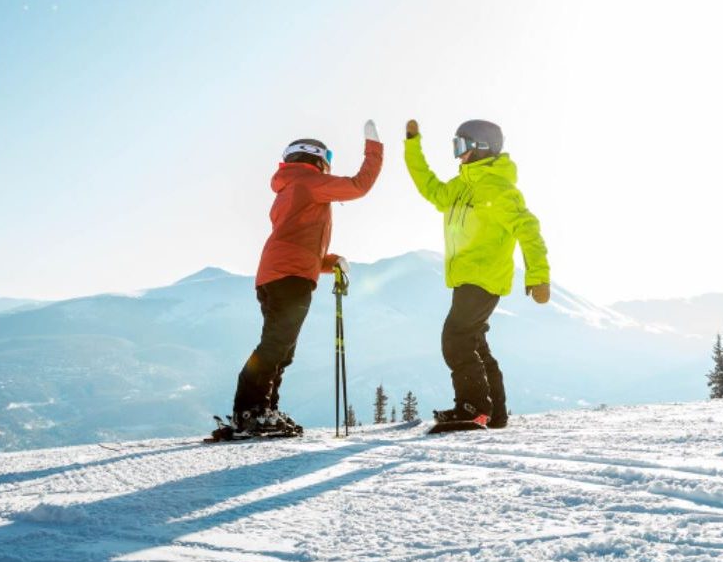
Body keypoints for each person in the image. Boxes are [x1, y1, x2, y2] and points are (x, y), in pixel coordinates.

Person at [231, 121, 383, 433]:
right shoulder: (308, 180)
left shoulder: (291, 185)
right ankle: (249, 412)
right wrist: (374, 149)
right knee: (276, 345)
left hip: (277, 272)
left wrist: (332, 261)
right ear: (316, 159)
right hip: (290, 275)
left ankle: (264, 410)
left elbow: (298, 242)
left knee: (282, 348)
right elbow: (359, 186)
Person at [404, 118, 549, 428]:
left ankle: (473, 407)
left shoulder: (498, 188)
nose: (457, 155)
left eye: (461, 146)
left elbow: (528, 228)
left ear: (481, 147)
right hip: (466, 278)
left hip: (483, 277)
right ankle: (494, 413)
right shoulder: (461, 186)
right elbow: (429, 187)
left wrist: (538, 275)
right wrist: (412, 146)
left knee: (455, 339)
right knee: (474, 342)